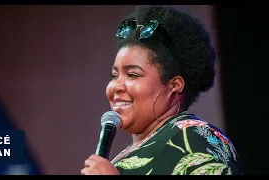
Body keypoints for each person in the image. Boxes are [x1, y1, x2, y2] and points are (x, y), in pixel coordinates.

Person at [81, 5, 243, 175]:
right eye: (114, 75)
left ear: (175, 85)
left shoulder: (197, 139)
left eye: (132, 75)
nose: (116, 86)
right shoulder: (129, 153)